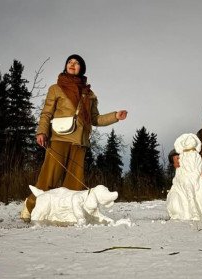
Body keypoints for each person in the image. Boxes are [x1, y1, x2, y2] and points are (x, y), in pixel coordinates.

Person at [20, 54, 127, 221]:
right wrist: (41, 132)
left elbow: (94, 119)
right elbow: (47, 113)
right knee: (48, 179)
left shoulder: (89, 94)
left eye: (76, 63)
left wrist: (115, 116)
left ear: (81, 68)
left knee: (74, 187)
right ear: (66, 66)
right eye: (70, 62)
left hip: (80, 142)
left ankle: (67, 216)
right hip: (59, 139)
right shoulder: (56, 88)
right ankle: (30, 205)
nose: (72, 64)